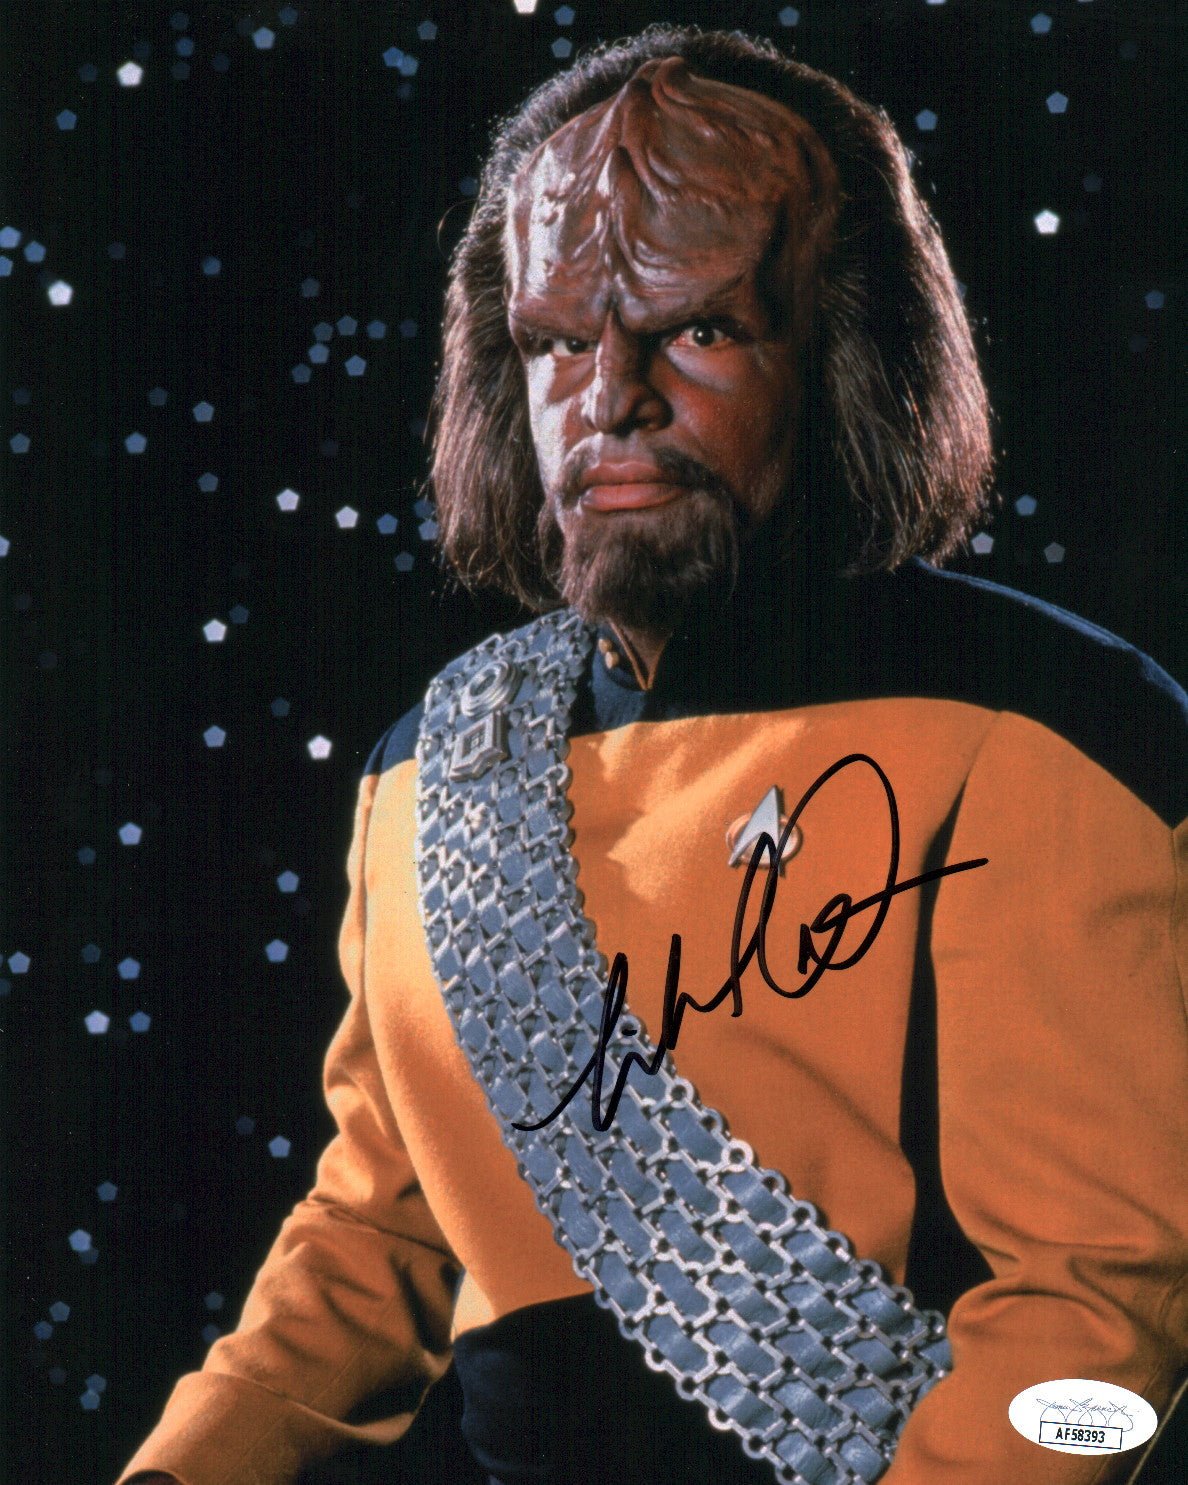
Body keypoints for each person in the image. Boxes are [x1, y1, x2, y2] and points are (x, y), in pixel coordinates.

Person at [121, 28, 1186, 1485]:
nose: (608, 394)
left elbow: (1106, 1302)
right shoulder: (427, 769)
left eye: (699, 330)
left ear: (845, 353)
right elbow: (373, 1238)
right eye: (560, 342)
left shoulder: (1043, 729)